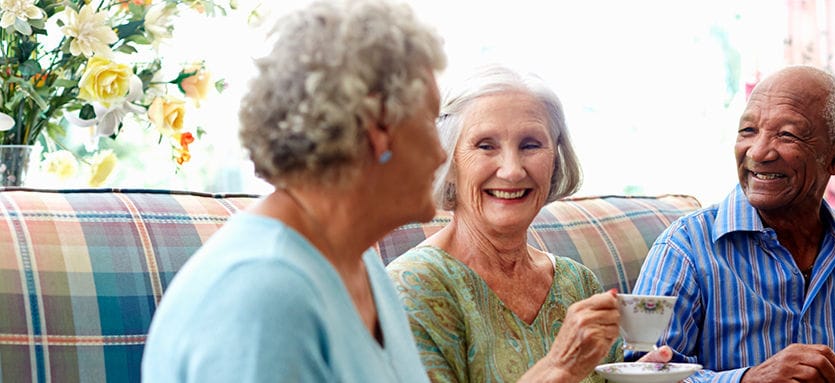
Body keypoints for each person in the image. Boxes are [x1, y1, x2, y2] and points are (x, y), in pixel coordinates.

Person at [141, 0, 447, 381]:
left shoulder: (363, 267)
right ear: (378, 125)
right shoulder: (263, 299)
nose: (441, 153)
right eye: (431, 120)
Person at [629, 65, 835, 382]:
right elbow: (642, 375)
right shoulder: (685, 248)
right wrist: (748, 380)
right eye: (748, 131)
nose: (758, 152)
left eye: (786, 134)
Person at [386, 65, 671, 383]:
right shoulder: (411, 287)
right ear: (448, 162)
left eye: (530, 145)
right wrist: (558, 367)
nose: (512, 171)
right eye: (486, 145)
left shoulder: (578, 283)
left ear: (555, 161)